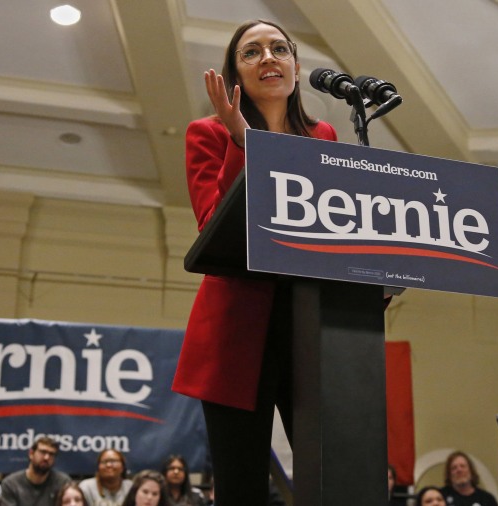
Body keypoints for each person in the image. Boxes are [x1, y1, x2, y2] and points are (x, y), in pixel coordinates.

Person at [171, 18, 339, 506]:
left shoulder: (322, 135)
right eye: (252, 52)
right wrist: (243, 140)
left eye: (278, 49)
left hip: (307, 326)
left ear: (295, 67)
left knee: (328, 481)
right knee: (241, 485)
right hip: (234, 332)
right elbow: (213, 224)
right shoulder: (207, 133)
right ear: (234, 76)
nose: (268, 57)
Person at [0, 436, 70, 506]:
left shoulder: (63, 483)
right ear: (31, 454)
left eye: (51, 454)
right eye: (43, 452)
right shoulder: (11, 484)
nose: (46, 457)